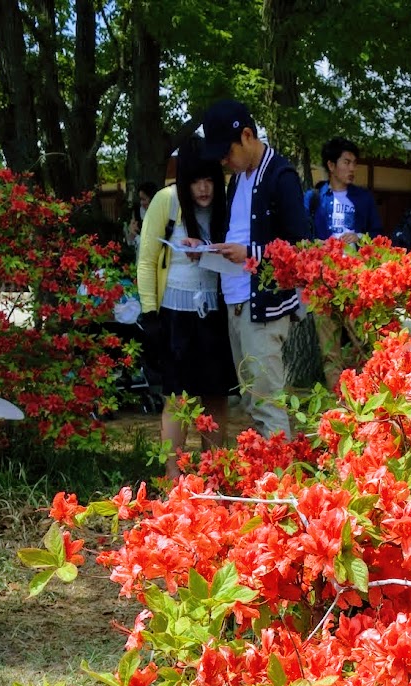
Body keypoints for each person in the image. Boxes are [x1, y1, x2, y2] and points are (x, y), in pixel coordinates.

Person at [200, 98, 309, 440]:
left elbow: (302, 248)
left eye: (226, 152)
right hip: (238, 300)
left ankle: (282, 485)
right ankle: (269, 481)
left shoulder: (281, 176)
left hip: (263, 304)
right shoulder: (240, 179)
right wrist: (208, 249)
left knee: (266, 403)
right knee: (252, 401)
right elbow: (239, 235)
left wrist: (249, 252)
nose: (223, 161)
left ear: (247, 135)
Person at [137, 141, 233, 478]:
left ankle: (215, 479)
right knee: (177, 400)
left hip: (216, 313)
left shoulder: (226, 204)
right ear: (184, 181)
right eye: (195, 181)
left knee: (216, 399)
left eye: (209, 180)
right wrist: (149, 312)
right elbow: (147, 260)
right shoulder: (166, 201)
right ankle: (173, 482)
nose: (203, 188)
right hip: (175, 313)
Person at [305, 137, 382, 386]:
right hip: (322, 283)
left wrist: (359, 237)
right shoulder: (315, 198)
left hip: (356, 281)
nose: (352, 168)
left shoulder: (364, 199)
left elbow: (380, 237)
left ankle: (364, 395)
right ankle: (335, 405)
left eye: (354, 163)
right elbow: (303, 237)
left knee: (363, 343)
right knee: (329, 348)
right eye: (346, 162)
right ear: (331, 164)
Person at [125, 181, 158, 258]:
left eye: (144, 199)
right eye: (140, 199)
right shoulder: (137, 212)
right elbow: (130, 241)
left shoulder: (159, 214)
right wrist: (132, 233)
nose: (141, 203)